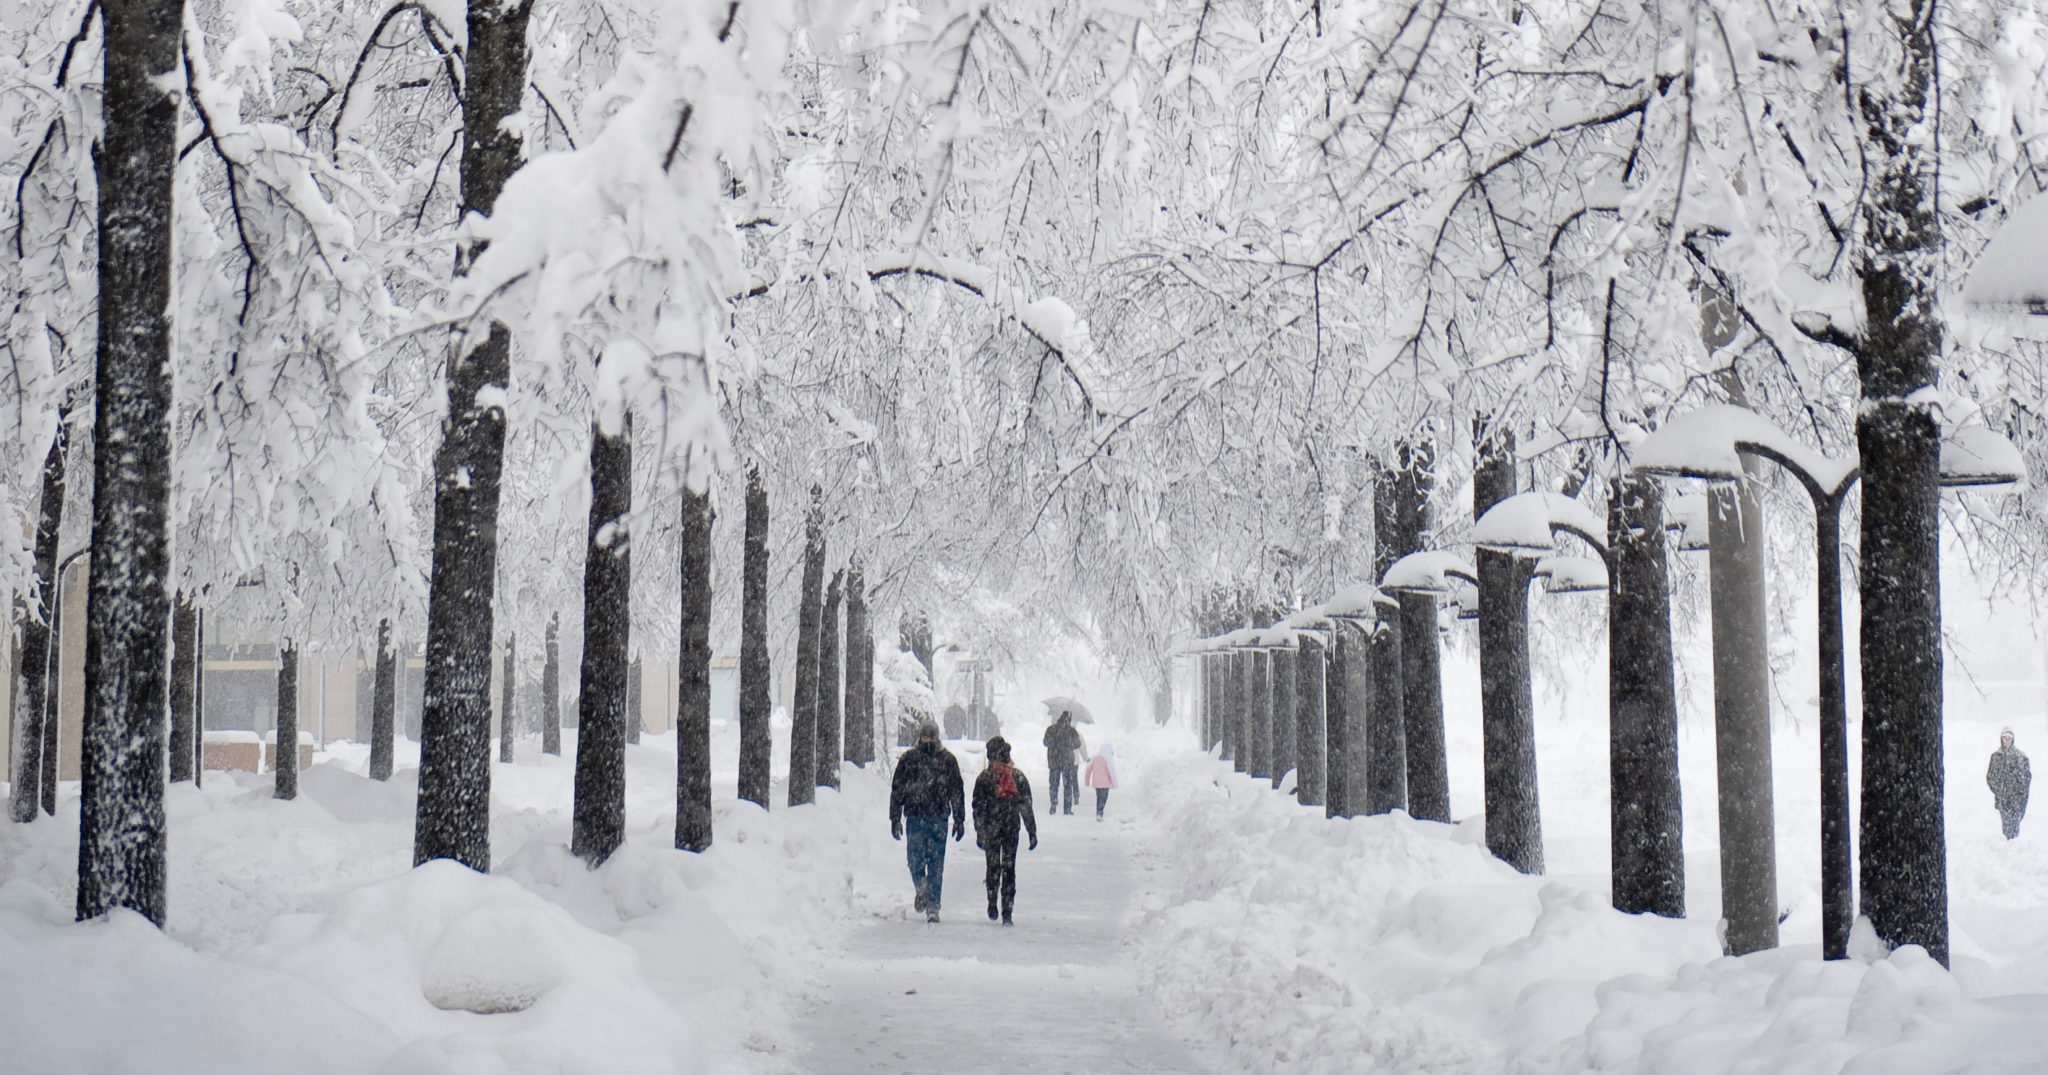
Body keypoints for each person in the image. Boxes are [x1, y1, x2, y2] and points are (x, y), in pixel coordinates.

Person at [890, 721, 965, 921]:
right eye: (925, 736)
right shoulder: (909, 759)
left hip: (938, 818)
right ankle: (922, 889)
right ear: (920, 737)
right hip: (914, 817)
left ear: (937, 737)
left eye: (932, 736)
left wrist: (959, 819)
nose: (929, 740)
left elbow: (956, 790)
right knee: (914, 860)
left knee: (936, 864)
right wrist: (895, 818)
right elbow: (897, 790)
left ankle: (933, 906)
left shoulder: (948, 760)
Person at [971, 736, 1038, 924]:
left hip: (992, 829)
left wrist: (980, 831)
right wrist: (1031, 831)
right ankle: (1007, 910)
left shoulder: (984, 778)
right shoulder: (1017, 777)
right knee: (1009, 868)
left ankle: (992, 901)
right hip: (1010, 828)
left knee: (992, 867)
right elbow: (1026, 806)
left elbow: (978, 807)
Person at [1988, 727, 2032, 840]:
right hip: (2003, 799)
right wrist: (1999, 790)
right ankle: (2008, 847)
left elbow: (2027, 778)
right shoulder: (1996, 756)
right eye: (2004, 738)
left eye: (2009, 738)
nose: (2007, 740)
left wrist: (2020, 792)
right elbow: (1990, 776)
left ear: (2013, 739)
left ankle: (2014, 847)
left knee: (2016, 825)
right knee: (2006, 826)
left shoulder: (2021, 757)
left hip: (2018, 799)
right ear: (2001, 739)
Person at [1043, 711, 1085, 815]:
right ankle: (1067, 808)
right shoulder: (1071, 731)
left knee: (1053, 783)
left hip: (1054, 760)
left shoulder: (1051, 729)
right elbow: (1078, 744)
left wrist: (1055, 745)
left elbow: (1045, 742)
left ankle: (1053, 801)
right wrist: (1068, 745)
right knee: (1068, 785)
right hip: (1067, 762)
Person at [1083, 741, 1118, 820]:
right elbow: (1111, 772)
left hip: (1096, 783)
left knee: (1099, 797)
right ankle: (1100, 812)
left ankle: (1098, 811)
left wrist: (1087, 781)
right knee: (1104, 798)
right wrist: (1115, 784)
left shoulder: (1095, 758)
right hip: (1106, 784)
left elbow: (1088, 770)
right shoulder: (1108, 759)